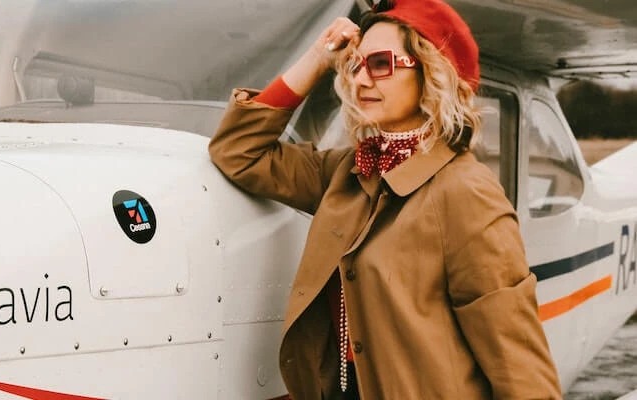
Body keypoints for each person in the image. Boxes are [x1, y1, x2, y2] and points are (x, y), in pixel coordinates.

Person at [209, 0, 562, 398]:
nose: (360, 80)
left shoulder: (467, 191)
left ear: (431, 71)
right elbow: (239, 151)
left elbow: (516, 359)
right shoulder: (347, 172)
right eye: (355, 65)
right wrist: (319, 56)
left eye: (381, 64)